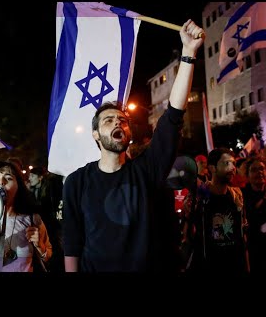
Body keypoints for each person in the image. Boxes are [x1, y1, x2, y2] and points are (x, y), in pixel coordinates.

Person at [62, 19, 205, 272]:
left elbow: (173, 115)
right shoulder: (76, 182)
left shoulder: (147, 170)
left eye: (123, 120)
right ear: (96, 134)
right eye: (109, 120)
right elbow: (73, 244)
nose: (118, 123)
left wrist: (188, 53)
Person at [0, 161, 52, 272]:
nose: (1, 182)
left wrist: (40, 246)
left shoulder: (32, 219)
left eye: (9, 178)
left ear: (18, 186)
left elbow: (47, 256)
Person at [187, 148, 249, 273]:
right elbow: (189, 234)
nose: (232, 168)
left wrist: (246, 267)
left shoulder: (237, 195)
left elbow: (242, 236)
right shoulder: (198, 197)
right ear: (212, 168)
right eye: (226, 163)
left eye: (234, 164)